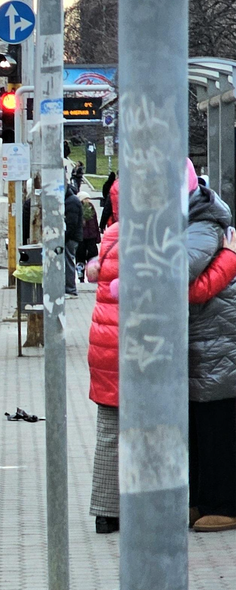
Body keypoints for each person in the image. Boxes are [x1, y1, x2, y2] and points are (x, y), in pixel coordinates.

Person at [85, 178, 236, 534]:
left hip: (111, 345)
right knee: (165, 428)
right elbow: (183, 287)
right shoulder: (149, 238)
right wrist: (230, 258)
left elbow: (177, 281)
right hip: (144, 344)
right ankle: (155, 504)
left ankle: (113, 511)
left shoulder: (116, 235)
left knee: (118, 429)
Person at [183, 158, 236, 532]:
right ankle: (201, 500)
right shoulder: (189, 224)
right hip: (203, 343)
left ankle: (224, 504)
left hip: (217, 344)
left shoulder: (202, 226)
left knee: (217, 427)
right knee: (199, 427)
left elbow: (175, 274)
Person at [75, 192, 100, 282]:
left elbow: (95, 222)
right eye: (86, 198)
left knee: (93, 257)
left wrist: (97, 236)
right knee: (80, 258)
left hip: (91, 237)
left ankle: (92, 276)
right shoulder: (78, 207)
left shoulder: (91, 207)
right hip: (81, 238)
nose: (88, 200)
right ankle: (81, 277)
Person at [64, 184, 83, 296]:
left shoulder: (71, 202)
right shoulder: (71, 200)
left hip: (71, 238)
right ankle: (69, 287)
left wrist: (64, 238)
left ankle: (70, 289)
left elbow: (71, 224)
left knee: (68, 262)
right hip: (71, 237)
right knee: (68, 261)